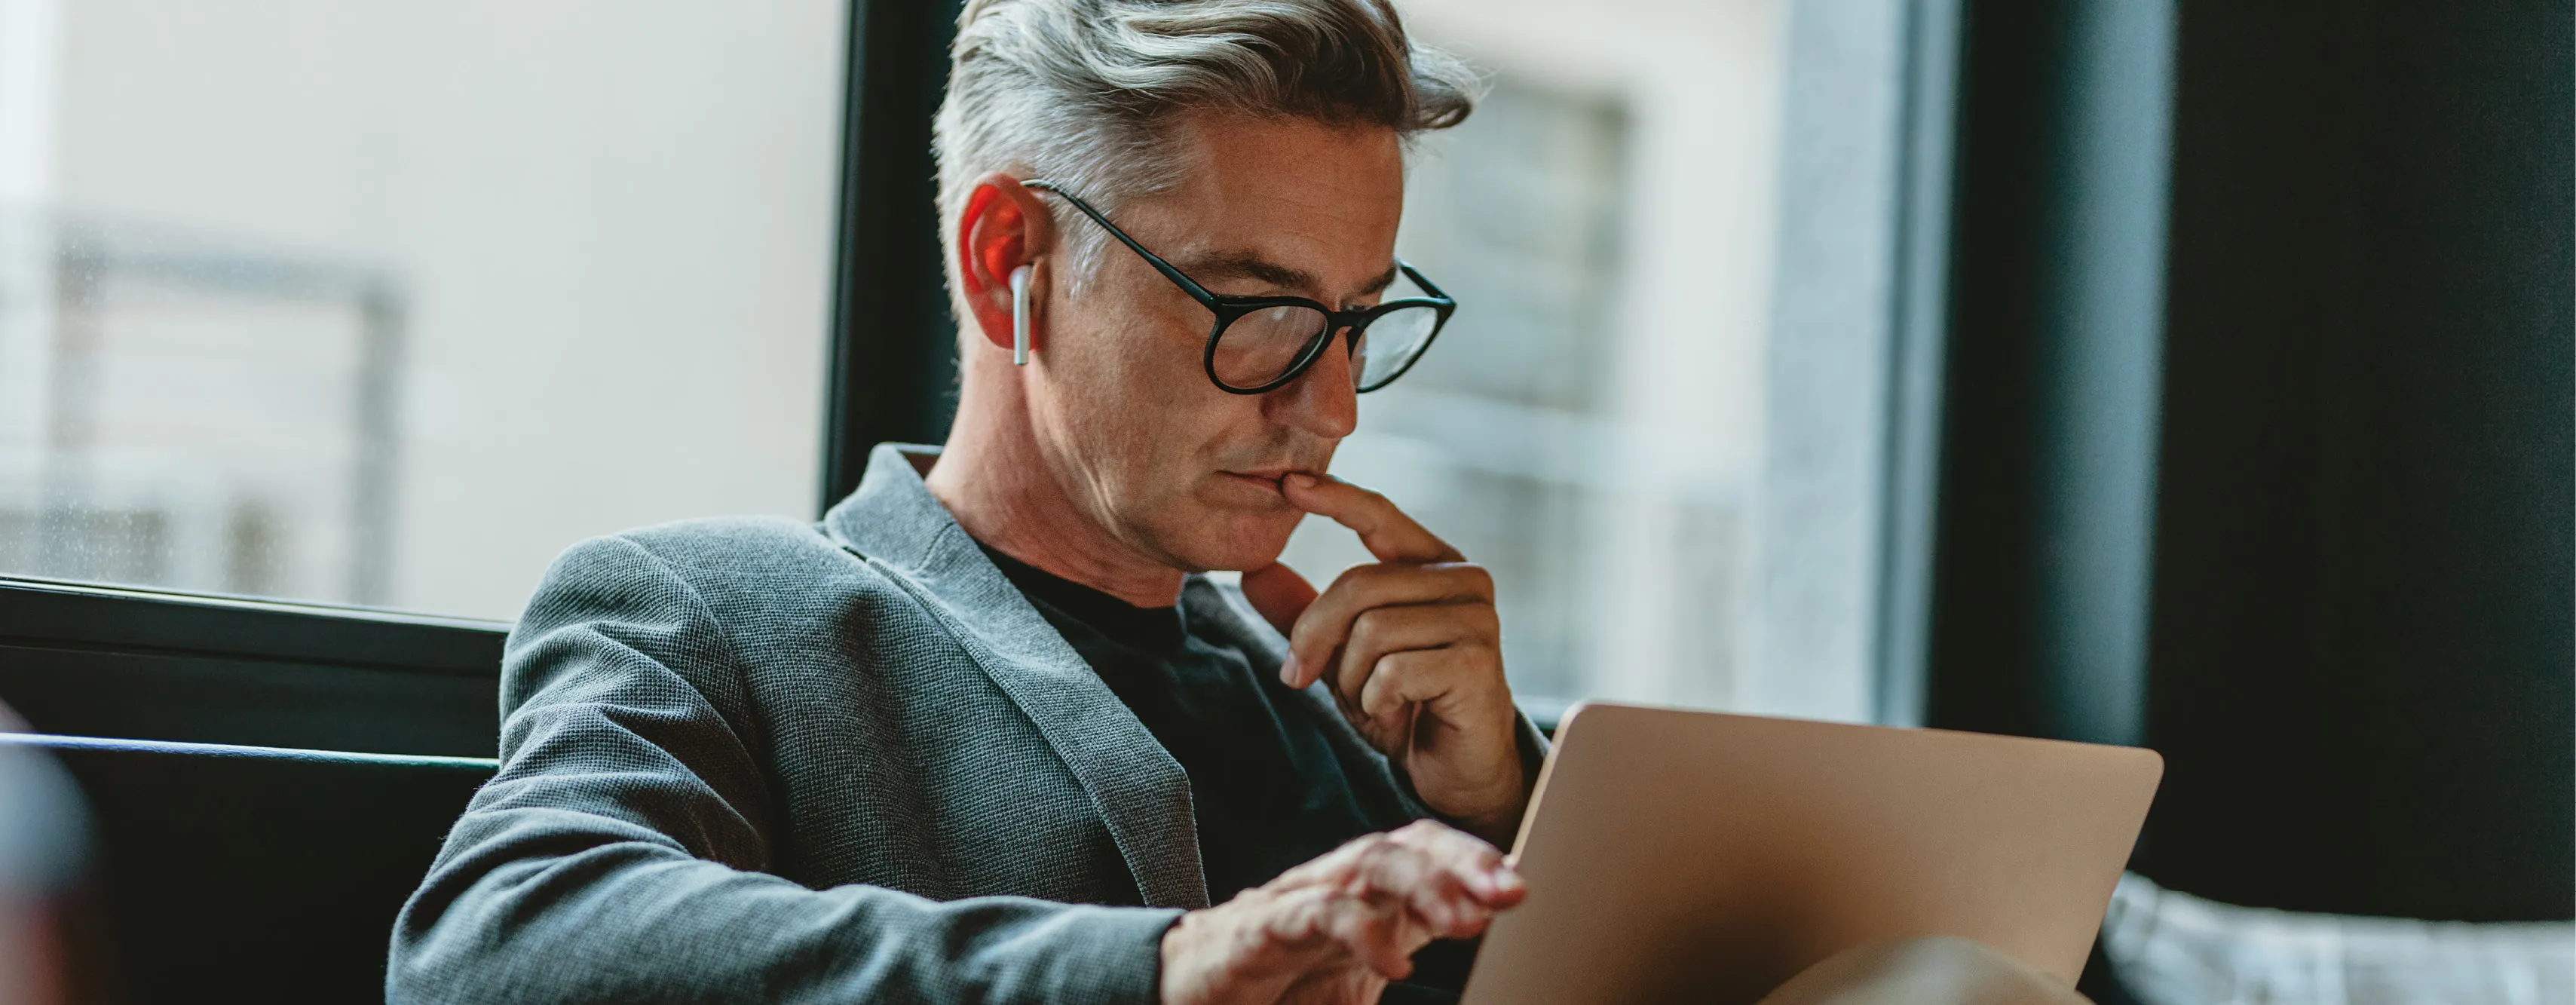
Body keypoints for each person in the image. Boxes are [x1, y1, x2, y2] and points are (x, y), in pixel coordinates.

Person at [387, 2, 2091, 1003]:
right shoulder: (717, 614)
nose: (1332, 402)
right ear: (1010, 262)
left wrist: (1507, 802)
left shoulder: (1380, 714)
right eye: (1257, 310)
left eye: (1358, 319)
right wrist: (1162, 972)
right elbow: (499, 947)